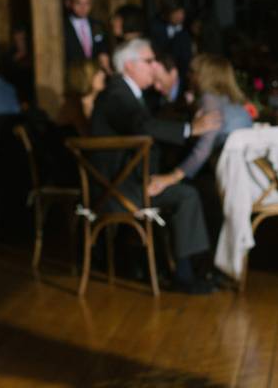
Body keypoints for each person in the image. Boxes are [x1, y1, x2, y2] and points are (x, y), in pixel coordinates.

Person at [90, 38, 222, 293]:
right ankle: (185, 276)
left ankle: (194, 269)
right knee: (188, 194)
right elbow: (140, 126)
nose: (154, 67)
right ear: (129, 65)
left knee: (193, 188)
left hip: (125, 183)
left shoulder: (126, 92)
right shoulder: (116, 93)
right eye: (149, 62)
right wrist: (190, 128)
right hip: (117, 191)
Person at [168, 54, 253, 182]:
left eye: (193, 72)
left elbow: (204, 146)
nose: (188, 76)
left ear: (204, 75)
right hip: (247, 172)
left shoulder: (210, 99)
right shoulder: (235, 101)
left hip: (227, 174)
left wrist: (171, 177)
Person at [64, 0, 110, 72]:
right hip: (72, 74)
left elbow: (102, 48)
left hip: (95, 73)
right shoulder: (63, 27)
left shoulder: (97, 25)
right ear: (69, 3)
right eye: (78, 2)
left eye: (87, 3)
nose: (83, 7)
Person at [150, 0, 193, 78]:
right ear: (165, 15)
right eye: (175, 13)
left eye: (182, 12)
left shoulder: (189, 25)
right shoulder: (156, 28)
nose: (180, 16)